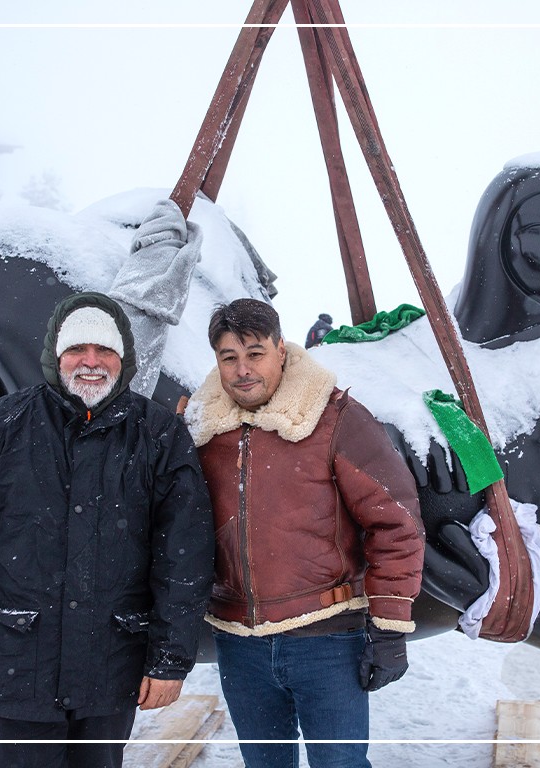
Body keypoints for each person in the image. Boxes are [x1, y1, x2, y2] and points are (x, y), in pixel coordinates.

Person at [0, 291, 215, 768]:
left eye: (105, 350)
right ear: (55, 356)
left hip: (110, 671)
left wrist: (170, 659)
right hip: (16, 666)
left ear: (126, 357)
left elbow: (185, 555)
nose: (90, 362)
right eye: (77, 349)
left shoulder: (158, 435)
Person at [183, 298, 425, 768]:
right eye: (228, 357)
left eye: (255, 353)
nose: (242, 370)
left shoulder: (333, 417)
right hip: (238, 643)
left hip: (327, 641)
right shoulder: (201, 426)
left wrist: (390, 626)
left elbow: (395, 522)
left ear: (281, 349)